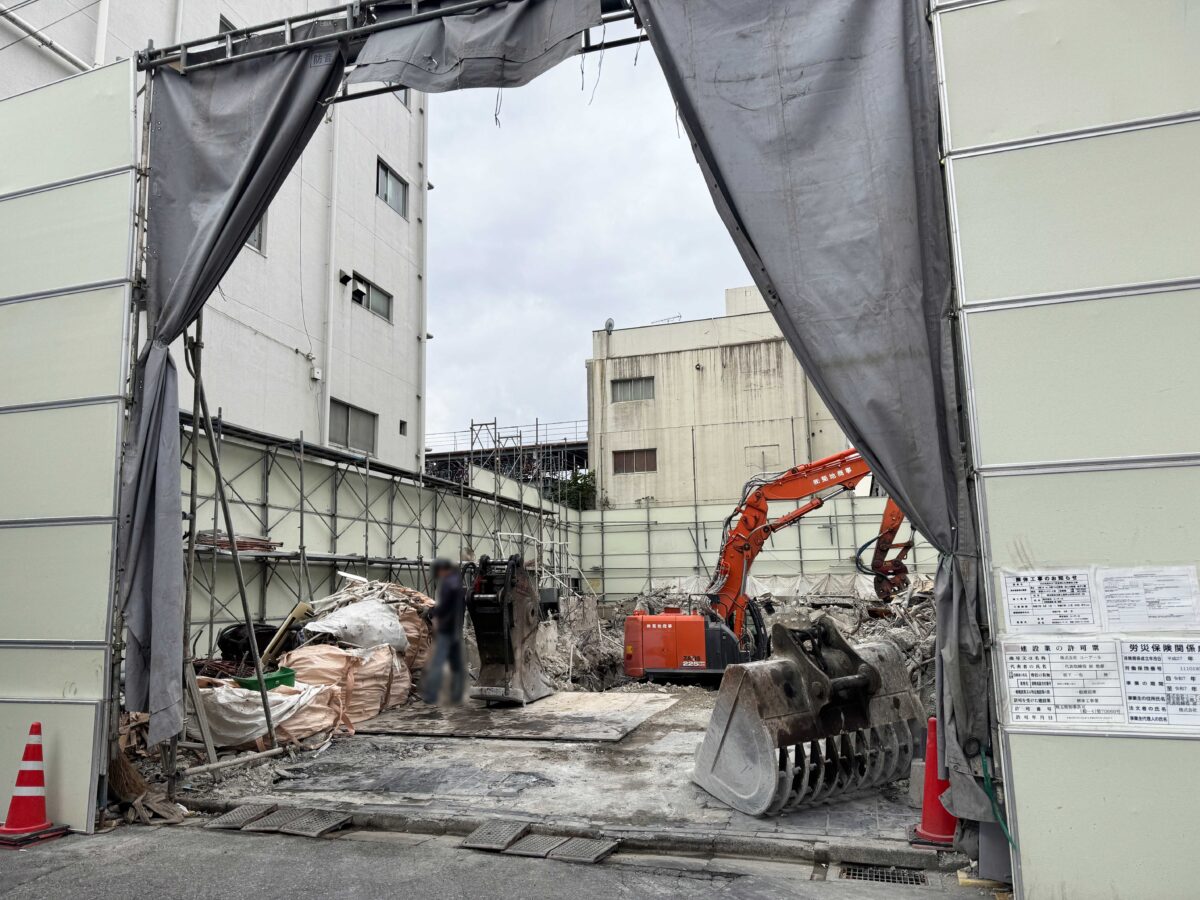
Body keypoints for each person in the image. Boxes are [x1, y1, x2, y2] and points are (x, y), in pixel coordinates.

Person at [421, 559, 466, 705]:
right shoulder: (458, 583)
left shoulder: (448, 584)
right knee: (457, 665)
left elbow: (445, 606)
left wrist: (431, 611)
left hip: (446, 630)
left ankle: (431, 695)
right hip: (456, 629)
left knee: (437, 663)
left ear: (441, 570)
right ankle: (457, 694)